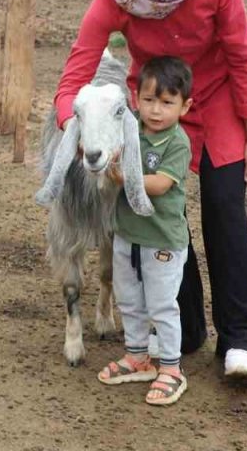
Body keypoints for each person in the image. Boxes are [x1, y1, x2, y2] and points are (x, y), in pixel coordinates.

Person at [52, 0, 247, 379]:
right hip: (157, 112)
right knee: (163, 211)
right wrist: (76, 128)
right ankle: (185, 328)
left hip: (218, 106)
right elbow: (75, 75)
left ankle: (239, 339)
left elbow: (243, 56)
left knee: (223, 207)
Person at [97, 55, 194, 406]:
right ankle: (138, 356)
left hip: (162, 242)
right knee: (129, 300)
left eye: (167, 102)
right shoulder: (130, 128)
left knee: (162, 305)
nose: (156, 110)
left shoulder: (177, 143)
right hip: (127, 236)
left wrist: (122, 175)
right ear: (135, 98)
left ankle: (171, 368)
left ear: (185, 106)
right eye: (149, 100)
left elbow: (159, 184)